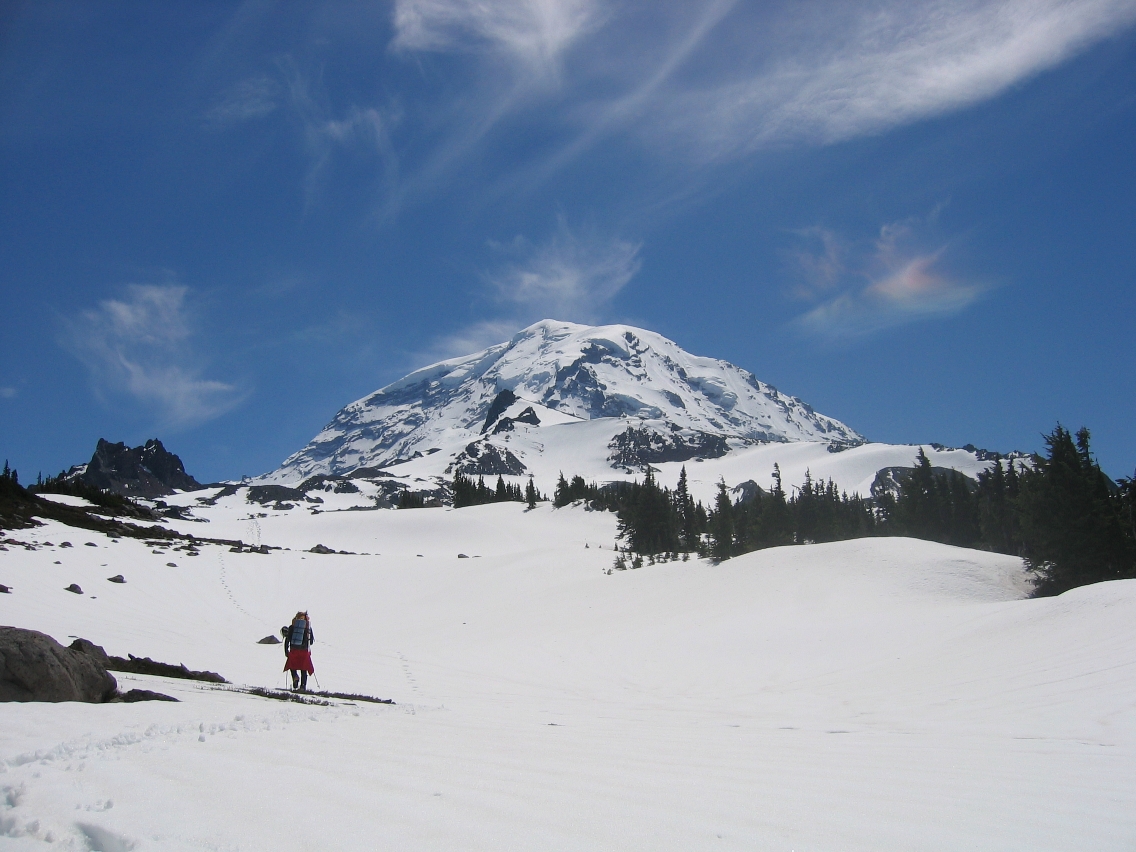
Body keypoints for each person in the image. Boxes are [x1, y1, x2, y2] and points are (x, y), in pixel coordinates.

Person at [281, 611, 315, 691]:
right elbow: (311, 642)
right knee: (304, 669)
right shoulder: (307, 628)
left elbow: (287, 640)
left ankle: (295, 677)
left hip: (294, 650)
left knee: (292, 666)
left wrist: (286, 651)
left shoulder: (292, 627)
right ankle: (303, 686)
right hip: (304, 652)